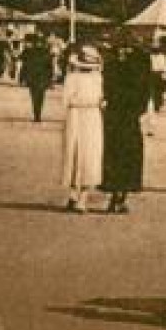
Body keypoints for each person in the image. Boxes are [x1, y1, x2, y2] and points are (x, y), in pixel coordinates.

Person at [99, 41, 147, 214]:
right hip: (129, 119)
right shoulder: (139, 67)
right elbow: (144, 94)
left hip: (114, 117)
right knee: (128, 156)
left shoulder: (111, 67)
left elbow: (104, 90)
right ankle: (121, 196)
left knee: (113, 155)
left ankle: (114, 195)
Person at [60, 45, 105, 212]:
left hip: (89, 116)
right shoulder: (72, 78)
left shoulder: (97, 78)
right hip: (79, 116)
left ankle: (82, 197)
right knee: (75, 151)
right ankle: (74, 195)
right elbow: (65, 101)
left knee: (89, 154)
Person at [20, 34, 55, 124]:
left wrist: (22, 78)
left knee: (35, 96)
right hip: (41, 78)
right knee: (40, 96)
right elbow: (50, 67)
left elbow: (24, 65)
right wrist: (50, 80)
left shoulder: (28, 51)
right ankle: (37, 114)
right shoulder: (46, 52)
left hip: (34, 77)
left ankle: (37, 114)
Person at [147, 43, 166, 113]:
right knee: (153, 90)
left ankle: (159, 104)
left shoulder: (162, 57)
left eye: (157, 48)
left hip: (160, 74)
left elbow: (164, 66)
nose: (155, 50)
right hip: (152, 74)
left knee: (160, 90)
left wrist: (164, 75)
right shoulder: (150, 57)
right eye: (154, 48)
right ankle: (155, 105)